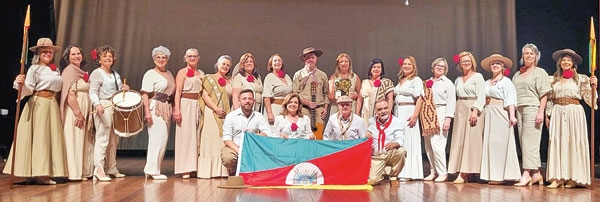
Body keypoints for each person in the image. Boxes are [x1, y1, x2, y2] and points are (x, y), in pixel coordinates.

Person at [2, 38, 67, 185]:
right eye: (44, 51)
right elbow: (28, 89)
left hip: (52, 105)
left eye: (50, 51)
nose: (48, 53)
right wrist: (19, 83)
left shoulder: (55, 69)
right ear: (38, 53)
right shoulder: (34, 69)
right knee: (40, 138)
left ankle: (46, 171)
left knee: (49, 139)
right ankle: (39, 173)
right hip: (39, 104)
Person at [545, 49, 597, 188]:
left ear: (573, 63)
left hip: (574, 112)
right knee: (557, 141)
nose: (566, 62)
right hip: (557, 112)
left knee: (573, 141)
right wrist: (547, 115)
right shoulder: (553, 79)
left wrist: (594, 86)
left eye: (569, 60)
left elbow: (590, 99)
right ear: (559, 62)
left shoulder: (581, 79)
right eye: (563, 60)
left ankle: (574, 177)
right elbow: (550, 99)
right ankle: (557, 177)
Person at [511, 43, 551, 186]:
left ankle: (526, 173)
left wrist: (541, 112)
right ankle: (537, 173)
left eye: (531, 53)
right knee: (524, 142)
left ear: (536, 56)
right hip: (519, 108)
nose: (528, 55)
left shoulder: (540, 72)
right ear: (522, 56)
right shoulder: (518, 74)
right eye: (526, 53)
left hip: (532, 108)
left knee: (530, 142)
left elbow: (544, 94)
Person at [89, 45, 129, 181]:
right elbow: (93, 91)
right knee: (103, 137)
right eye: (105, 56)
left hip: (115, 106)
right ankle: (98, 169)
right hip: (104, 105)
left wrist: (125, 89)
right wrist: (97, 103)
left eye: (110, 56)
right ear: (99, 59)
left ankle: (111, 167)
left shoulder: (114, 74)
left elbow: (117, 91)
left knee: (113, 139)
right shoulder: (97, 73)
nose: (108, 58)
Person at [479, 54, 520, 184]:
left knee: (500, 143)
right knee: (490, 143)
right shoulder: (486, 82)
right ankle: (493, 174)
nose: (495, 65)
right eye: (492, 63)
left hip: (501, 112)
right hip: (489, 112)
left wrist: (512, 116)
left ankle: (502, 175)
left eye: (498, 63)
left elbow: (510, 99)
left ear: (503, 67)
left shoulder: (506, 81)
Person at [448, 51, 485, 184]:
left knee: (471, 141)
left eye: (468, 61)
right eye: (463, 61)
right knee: (459, 139)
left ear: (472, 62)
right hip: (460, 108)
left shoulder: (478, 77)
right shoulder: (458, 79)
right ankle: (464, 171)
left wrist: (475, 110)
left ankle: (465, 173)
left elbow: (482, 95)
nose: (466, 63)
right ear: (460, 64)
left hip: (473, 107)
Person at [59, 44, 94, 181]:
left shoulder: (80, 71)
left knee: (83, 140)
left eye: (78, 53)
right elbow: (70, 94)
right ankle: (73, 172)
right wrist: (78, 113)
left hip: (85, 109)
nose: (76, 56)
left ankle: (83, 170)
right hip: (75, 111)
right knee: (74, 138)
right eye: (73, 54)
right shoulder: (69, 71)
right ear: (68, 57)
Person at [141, 45, 175, 180]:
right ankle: (152, 170)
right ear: (154, 59)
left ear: (167, 59)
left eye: (163, 57)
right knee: (157, 138)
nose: (161, 60)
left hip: (166, 106)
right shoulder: (150, 74)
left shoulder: (169, 73)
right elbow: (145, 94)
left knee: (163, 139)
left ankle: (154, 168)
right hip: (155, 107)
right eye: (158, 57)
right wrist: (147, 112)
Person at [221, 89, 271, 176]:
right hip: (235, 147)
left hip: (253, 148)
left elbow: (267, 132)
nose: (247, 101)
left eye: (250, 99)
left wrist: (254, 135)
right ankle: (234, 170)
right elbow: (227, 139)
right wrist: (240, 151)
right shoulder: (231, 116)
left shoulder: (258, 116)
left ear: (254, 101)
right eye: (244, 99)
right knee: (228, 158)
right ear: (239, 100)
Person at [198, 55, 233, 178]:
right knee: (211, 140)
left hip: (225, 114)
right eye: (223, 64)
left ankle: (221, 171)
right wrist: (216, 109)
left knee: (221, 141)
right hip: (211, 113)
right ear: (217, 64)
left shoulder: (230, 81)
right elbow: (205, 95)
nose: (225, 66)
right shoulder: (209, 78)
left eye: (228, 65)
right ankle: (207, 171)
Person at [172, 48, 205, 179]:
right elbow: (178, 92)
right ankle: (185, 168)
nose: (192, 58)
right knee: (185, 136)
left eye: (195, 56)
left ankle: (195, 167)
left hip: (198, 103)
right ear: (185, 58)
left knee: (196, 135)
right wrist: (177, 109)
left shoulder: (201, 73)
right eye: (190, 56)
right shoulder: (182, 72)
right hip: (186, 103)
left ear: (198, 58)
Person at [422, 58, 456, 182]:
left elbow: (451, 102)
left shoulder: (448, 83)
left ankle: (443, 172)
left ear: (445, 69)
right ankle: (433, 171)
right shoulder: (428, 82)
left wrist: (448, 119)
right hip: (428, 114)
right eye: (437, 65)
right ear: (433, 67)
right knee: (429, 145)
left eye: (442, 66)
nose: (440, 67)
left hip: (441, 112)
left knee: (438, 145)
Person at [393, 56, 424, 181]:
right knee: (401, 140)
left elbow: (420, 98)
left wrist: (415, 115)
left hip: (409, 112)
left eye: (409, 64)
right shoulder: (401, 80)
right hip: (398, 111)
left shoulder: (416, 80)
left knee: (409, 140)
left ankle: (410, 172)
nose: (406, 66)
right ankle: (400, 171)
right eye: (404, 64)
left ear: (413, 67)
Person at [367, 99, 407, 186]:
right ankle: (380, 175)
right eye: (380, 109)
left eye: (385, 108)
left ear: (389, 109)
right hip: (377, 156)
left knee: (401, 151)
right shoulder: (371, 122)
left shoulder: (397, 122)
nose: (383, 111)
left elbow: (400, 138)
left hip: (390, 153)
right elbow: (366, 135)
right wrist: (366, 135)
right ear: (375, 111)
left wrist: (395, 143)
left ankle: (393, 177)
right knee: (372, 181)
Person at [292, 46, 329, 140]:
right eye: (307, 57)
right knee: (304, 133)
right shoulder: (298, 75)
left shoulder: (322, 75)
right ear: (304, 59)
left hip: (318, 109)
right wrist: (307, 102)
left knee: (318, 134)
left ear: (316, 58)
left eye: (312, 57)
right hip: (303, 108)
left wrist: (325, 108)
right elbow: (295, 93)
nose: (310, 60)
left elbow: (326, 93)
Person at [361, 59, 394, 127]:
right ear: (370, 69)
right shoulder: (364, 82)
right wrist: (357, 114)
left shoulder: (386, 82)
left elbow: (390, 99)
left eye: (378, 67)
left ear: (382, 70)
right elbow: (359, 99)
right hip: (365, 112)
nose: (376, 69)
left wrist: (388, 114)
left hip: (379, 112)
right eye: (374, 67)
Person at [262, 54, 293, 129]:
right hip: (274, 108)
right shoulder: (269, 77)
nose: (277, 62)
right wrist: (269, 113)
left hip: (286, 109)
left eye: (279, 60)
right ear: (271, 65)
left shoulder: (287, 77)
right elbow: (266, 97)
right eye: (275, 61)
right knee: (274, 132)